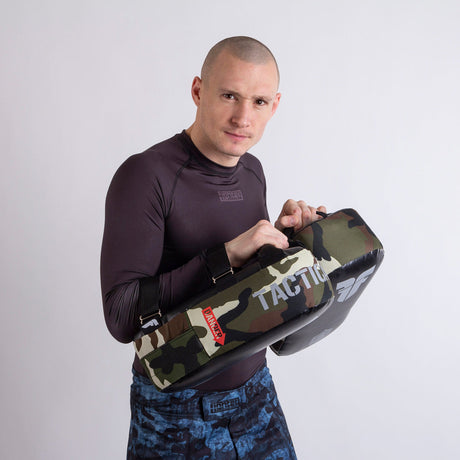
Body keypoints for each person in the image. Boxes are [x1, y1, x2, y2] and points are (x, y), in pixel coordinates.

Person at [101, 36, 326, 460]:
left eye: (259, 102)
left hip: (257, 393)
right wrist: (226, 255)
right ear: (198, 90)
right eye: (229, 95)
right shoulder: (145, 175)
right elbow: (121, 315)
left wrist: (285, 240)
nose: (243, 117)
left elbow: (241, 292)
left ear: (275, 106)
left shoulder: (252, 171)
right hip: (175, 414)